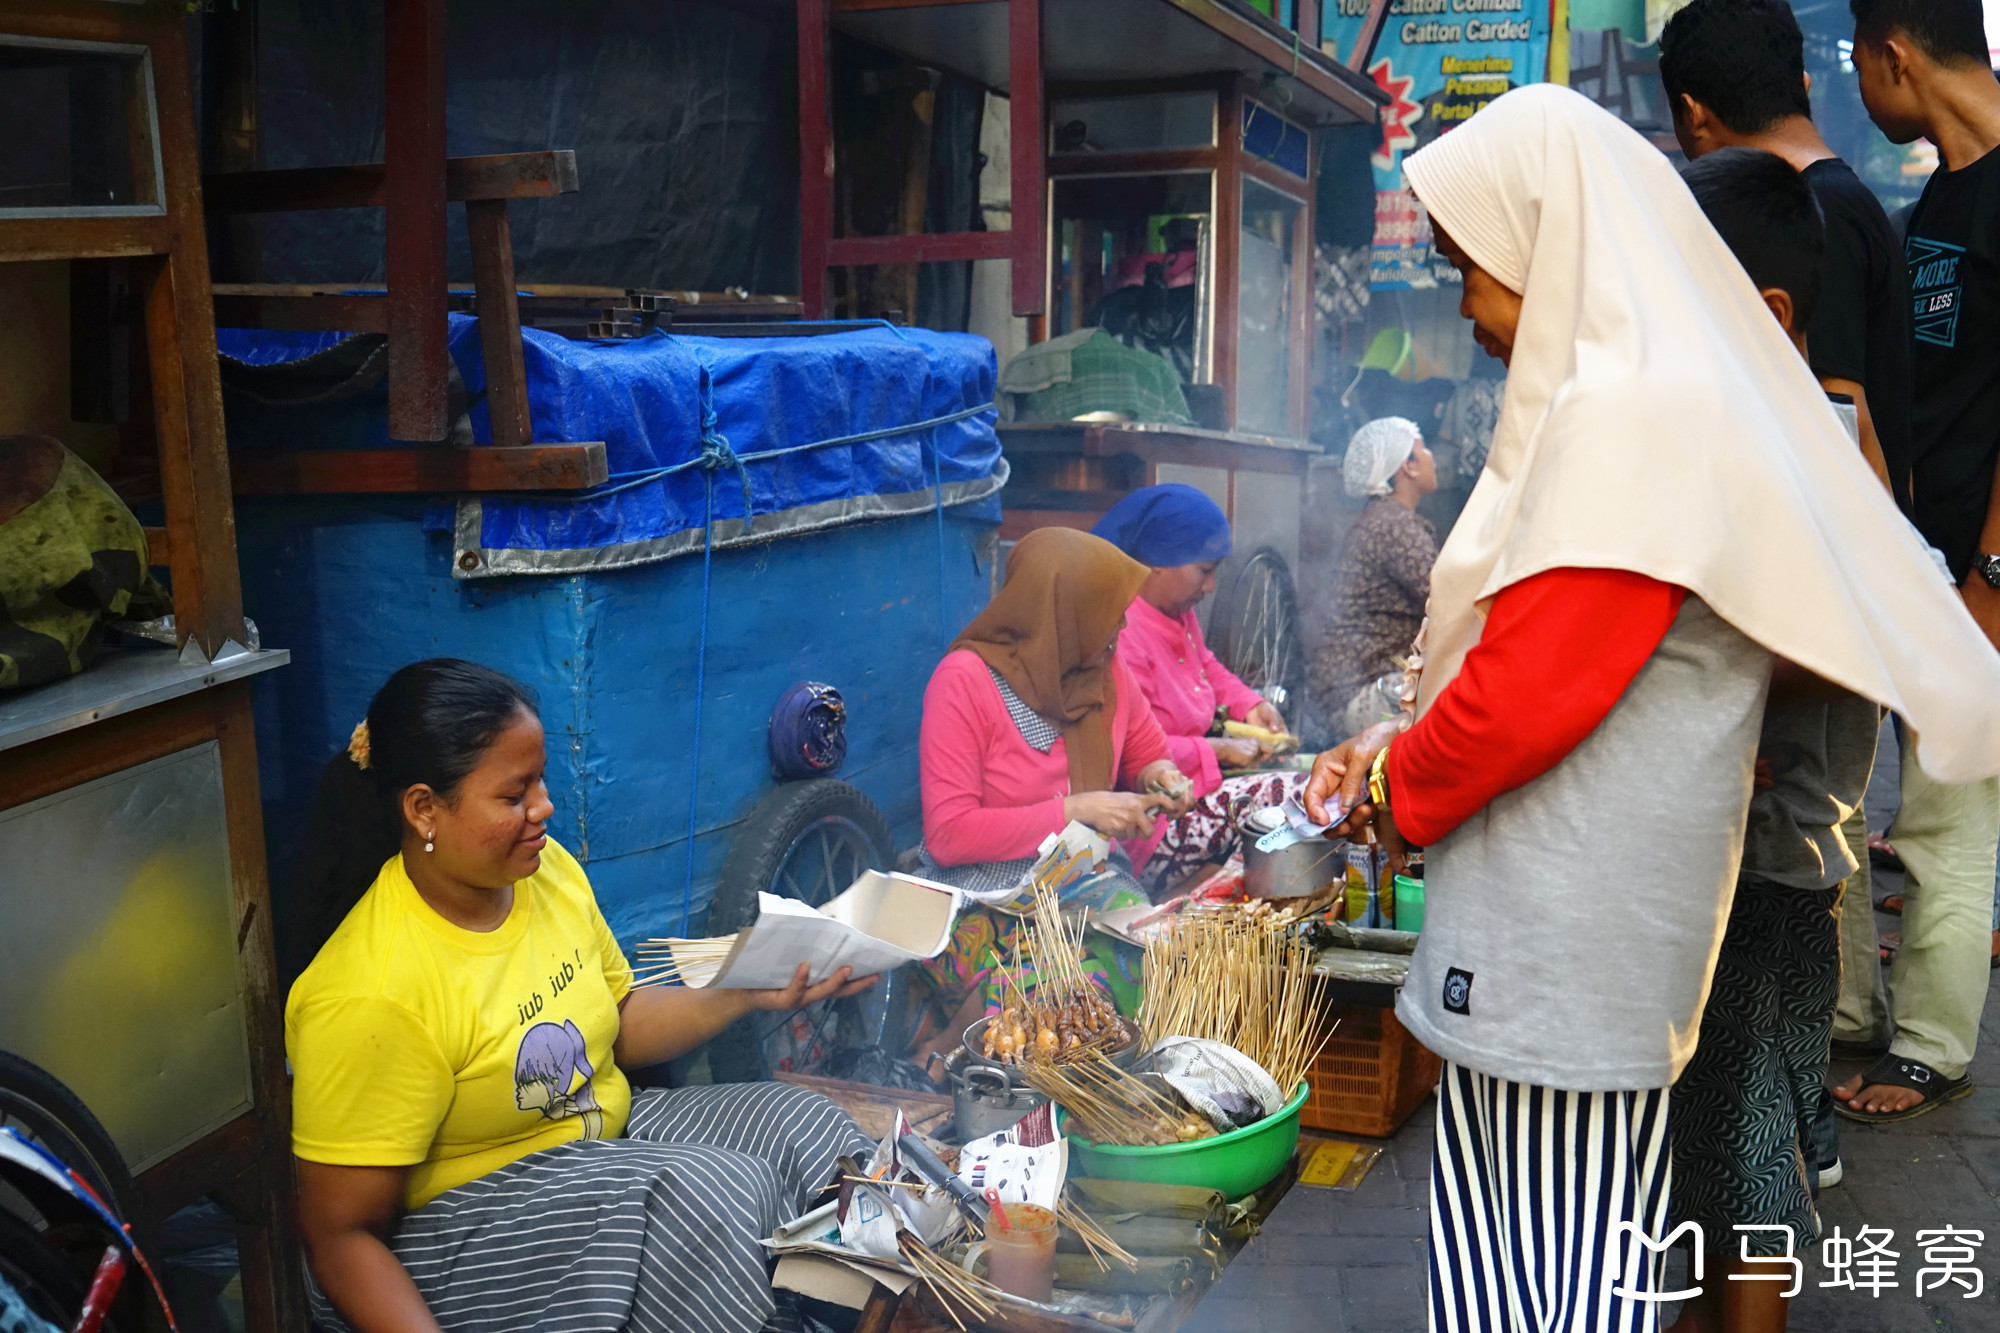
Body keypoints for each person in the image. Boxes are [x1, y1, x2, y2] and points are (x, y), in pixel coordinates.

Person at [1304, 85, 2000, 1333]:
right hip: (1577, 938)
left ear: (1547, 242)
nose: (1464, 306)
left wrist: (1386, 789)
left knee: (1539, 1281)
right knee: (1559, 1261)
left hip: (1565, 944)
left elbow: (1528, 691)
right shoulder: (1647, 401)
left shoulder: (1630, 415)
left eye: (1474, 268)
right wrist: (1393, 742)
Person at [286, 659, 880, 1333]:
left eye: (540, 781)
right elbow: (340, 1239)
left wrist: (747, 989)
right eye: (514, 796)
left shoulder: (545, 874)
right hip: (455, 1243)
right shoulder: (371, 989)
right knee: (716, 1199)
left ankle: (887, 1305)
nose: (543, 807)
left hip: (594, 1148)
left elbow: (617, 1020)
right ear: (424, 807)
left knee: (806, 1128)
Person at [1669, 147, 1884, 1333]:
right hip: (1794, 858)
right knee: (1715, 1149)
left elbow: (1839, 637)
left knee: (1747, 1162)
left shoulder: (1793, 440)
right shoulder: (1839, 419)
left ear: (1765, 311)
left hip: (1766, 858)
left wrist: (1707, 686)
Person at [1836, 0, 2000, 1122]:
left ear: (1892, 52)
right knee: (1885, 804)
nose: (1858, 90)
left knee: (1947, 814)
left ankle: (1933, 1044)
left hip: (1977, 573)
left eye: (1856, 65)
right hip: (1920, 558)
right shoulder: (1939, 192)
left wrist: (1993, 571)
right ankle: (1861, 1015)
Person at [1661, 0, 1914, 503]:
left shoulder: (1815, 213)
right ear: (1802, 83)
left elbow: (1844, 426)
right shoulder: (1838, 200)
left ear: (1692, 114)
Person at [917, 526, 1193, 898]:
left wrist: (1164, 777)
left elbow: (1147, 754)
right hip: (985, 888)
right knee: (1064, 957)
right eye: (1107, 611)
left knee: (1147, 948)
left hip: (1085, 871)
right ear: (1062, 615)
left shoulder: (1104, 670)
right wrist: (1076, 811)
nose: (1123, 625)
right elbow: (948, 834)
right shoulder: (963, 681)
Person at [1089, 483, 1306, 892]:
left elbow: (1206, 664)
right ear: (1154, 564)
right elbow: (1135, 753)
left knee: (1299, 785)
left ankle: (1218, 887)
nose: (1210, 587)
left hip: (1201, 795)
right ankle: (1202, 891)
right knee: (1289, 793)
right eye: (1203, 572)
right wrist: (1219, 749)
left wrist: (1248, 704)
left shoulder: (1175, 613)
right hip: (1153, 829)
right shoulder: (1124, 632)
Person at [1306, 417, 1438, 738]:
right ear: (1408, 467)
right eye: (1423, 450)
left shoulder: (1382, 518)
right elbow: (1447, 601)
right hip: (1360, 693)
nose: (1432, 456)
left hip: (1341, 689)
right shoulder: (1396, 528)